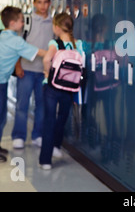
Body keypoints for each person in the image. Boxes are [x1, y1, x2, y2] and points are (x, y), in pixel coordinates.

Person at [0, 6, 46, 163]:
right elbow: (38, 53)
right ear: (13, 23)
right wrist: (58, 51)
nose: (23, 23)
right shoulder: (16, 40)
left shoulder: (0, 34)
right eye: (21, 21)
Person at [39, 13, 84, 170]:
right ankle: (56, 147)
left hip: (52, 87)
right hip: (70, 87)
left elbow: (46, 59)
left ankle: (45, 160)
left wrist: (46, 72)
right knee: (62, 117)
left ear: (57, 27)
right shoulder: (77, 43)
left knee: (49, 121)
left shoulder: (55, 43)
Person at [11, 0, 54, 149]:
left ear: (49, 3)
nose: (43, 6)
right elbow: (17, 45)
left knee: (42, 105)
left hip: (44, 72)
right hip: (26, 69)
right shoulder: (27, 21)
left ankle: (38, 135)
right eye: (39, 2)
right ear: (34, 3)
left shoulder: (53, 22)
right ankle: (19, 136)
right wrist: (17, 66)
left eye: (45, 2)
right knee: (22, 104)